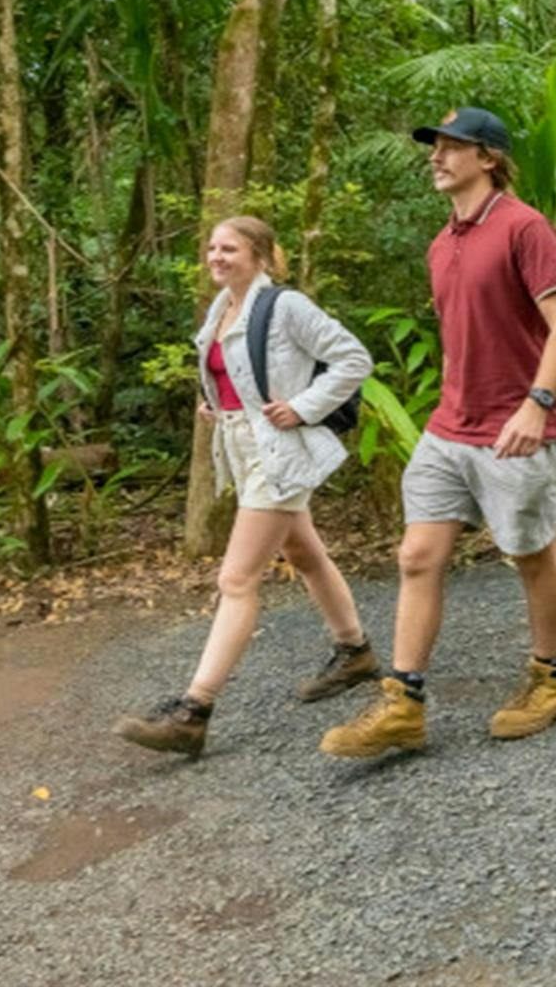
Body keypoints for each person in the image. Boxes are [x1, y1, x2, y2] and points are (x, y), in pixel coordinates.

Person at [321, 108, 556, 757]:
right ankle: (402, 704)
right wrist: (449, 403)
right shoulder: (443, 243)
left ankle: (552, 680)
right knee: (417, 556)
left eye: (452, 148)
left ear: (489, 158)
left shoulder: (524, 227)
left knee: (529, 554)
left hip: (514, 427)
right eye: (434, 148)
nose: (436, 157)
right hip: (450, 427)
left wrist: (536, 404)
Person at [115, 215, 377, 759]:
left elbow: (354, 359)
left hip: (277, 454)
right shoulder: (220, 311)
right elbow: (239, 375)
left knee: (237, 579)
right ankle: (355, 652)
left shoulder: (285, 307)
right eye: (211, 247)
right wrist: (217, 404)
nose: (216, 256)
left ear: (259, 255)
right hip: (243, 449)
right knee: (303, 552)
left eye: (228, 248)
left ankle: (195, 710)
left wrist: (303, 408)